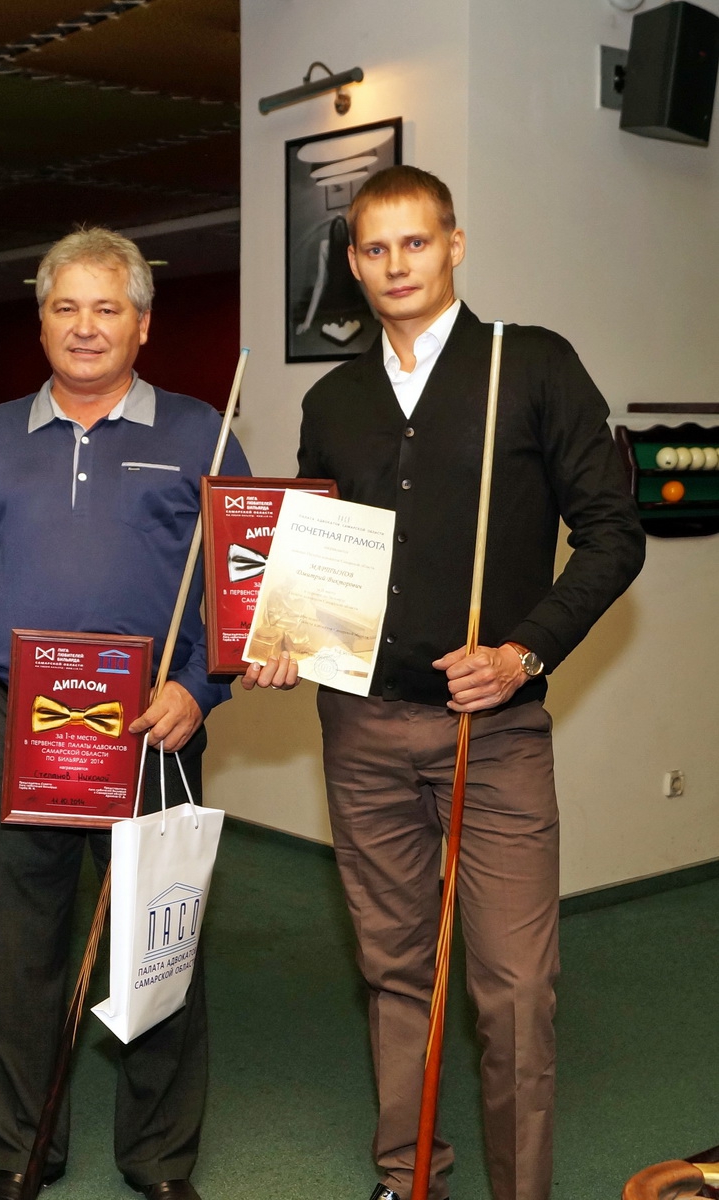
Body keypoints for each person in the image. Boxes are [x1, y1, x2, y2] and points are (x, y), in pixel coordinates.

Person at [245, 166, 645, 1200]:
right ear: (352, 263)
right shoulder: (332, 401)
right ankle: (407, 1173)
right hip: (361, 730)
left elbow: (613, 534)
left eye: (414, 243)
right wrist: (284, 638)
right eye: (375, 249)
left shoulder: (532, 364)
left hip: (496, 737)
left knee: (514, 989)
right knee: (395, 972)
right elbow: (321, 561)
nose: (395, 265)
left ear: (453, 246)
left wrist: (523, 652)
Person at [0, 227, 247, 1200]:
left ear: (142, 325)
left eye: (108, 308)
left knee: (156, 942)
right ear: (41, 322)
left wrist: (200, 687)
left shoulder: (200, 432)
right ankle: (25, 1148)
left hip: (151, 726)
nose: (86, 326)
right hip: (18, 722)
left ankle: (159, 1158)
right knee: (20, 951)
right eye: (66, 307)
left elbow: (244, 585)